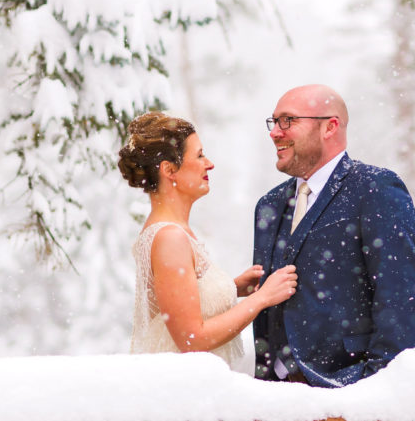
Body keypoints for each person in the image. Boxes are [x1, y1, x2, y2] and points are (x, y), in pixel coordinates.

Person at [252, 84, 415, 387]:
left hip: (348, 392)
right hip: (275, 397)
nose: (275, 132)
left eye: (288, 121)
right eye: (274, 122)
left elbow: (398, 296)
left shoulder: (375, 189)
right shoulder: (269, 205)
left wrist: (375, 384)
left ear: (330, 126)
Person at [122, 111, 298, 363]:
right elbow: (192, 339)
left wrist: (232, 288)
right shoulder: (169, 237)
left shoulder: (171, 231)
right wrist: (263, 298)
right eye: (199, 155)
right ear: (169, 170)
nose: (209, 163)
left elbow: (180, 304)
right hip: (184, 389)